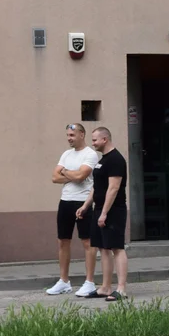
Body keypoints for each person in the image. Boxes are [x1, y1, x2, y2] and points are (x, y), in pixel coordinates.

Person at [76, 127, 129, 302]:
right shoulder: (102, 160)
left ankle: (121, 289)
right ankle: (106, 287)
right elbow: (96, 187)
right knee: (103, 248)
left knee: (116, 248)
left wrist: (105, 213)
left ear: (105, 139)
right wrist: (85, 206)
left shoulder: (115, 160)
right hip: (99, 209)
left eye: (95, 140)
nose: (93, 143)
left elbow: (113, 188)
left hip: (113, 210)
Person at [48, 123, 100, 297]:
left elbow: (81, 176)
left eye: (72, 135)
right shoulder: (66, 154)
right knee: (63, 241)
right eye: (68, 135)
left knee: (87, 242)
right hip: (65, 202)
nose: (69, 138)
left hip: (82, 202)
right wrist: (71, 174)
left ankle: (89, 282)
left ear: (82, 134)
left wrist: (66, 172)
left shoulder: (90, 154)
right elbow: (54, 178)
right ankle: (64, 281)